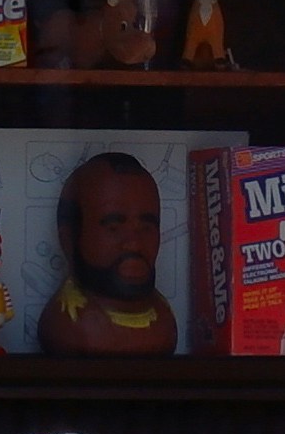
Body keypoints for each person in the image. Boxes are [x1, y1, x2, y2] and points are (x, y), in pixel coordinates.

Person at [35, 151, 179, 356]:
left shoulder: (164, 319)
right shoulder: (66, 327)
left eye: (147, 228)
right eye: (114, 228)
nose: (134, 244)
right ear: (69, 236)